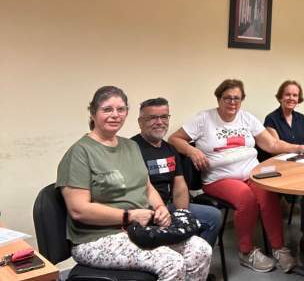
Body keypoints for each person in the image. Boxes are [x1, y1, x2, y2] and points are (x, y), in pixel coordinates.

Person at [56, 86, 212, 281]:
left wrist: (160, 207)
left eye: (120, 109)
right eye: (107, 109)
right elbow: (78, 210)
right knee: (172, 262)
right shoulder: (80, 153)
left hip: (140, 230)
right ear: (93, 113)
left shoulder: (131, 146)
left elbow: (146, 187)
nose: (115, 115)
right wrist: (128, 216)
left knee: (200, 249)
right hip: (96, 239)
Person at [168, 78, 304, 274]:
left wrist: (297, 147)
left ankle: (279, 248)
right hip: (219, 178)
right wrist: (192, 150)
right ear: (219, 98)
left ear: (242, 100)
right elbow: (174, 138)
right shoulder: (204, 118)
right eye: (227, 98)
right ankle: (246, 252)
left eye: (237, 98)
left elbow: (272, 144)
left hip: (251, 174)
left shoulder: (247, 118)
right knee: (246, 197)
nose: (232, 102)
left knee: (268, 193)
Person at [131, 97, 223, 247]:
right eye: (152, 118)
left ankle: (196, 259)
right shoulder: (131, 148)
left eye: (164, 117)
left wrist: (182, 213)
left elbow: (179, 186)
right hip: (145, 210)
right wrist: (158, 212)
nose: (159, 122)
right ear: (140, 122)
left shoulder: (170, 149)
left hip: (169, 206)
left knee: (213, 216)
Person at [261, 80, 304, 252]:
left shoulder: (301, 118)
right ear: (280, 97)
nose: (291, 98)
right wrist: (299, 151)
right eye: (287, 94)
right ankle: (277, 241)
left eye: (295, 95)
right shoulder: (271, 119)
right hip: (280, 168)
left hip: (300, 166)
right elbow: (275, 149)